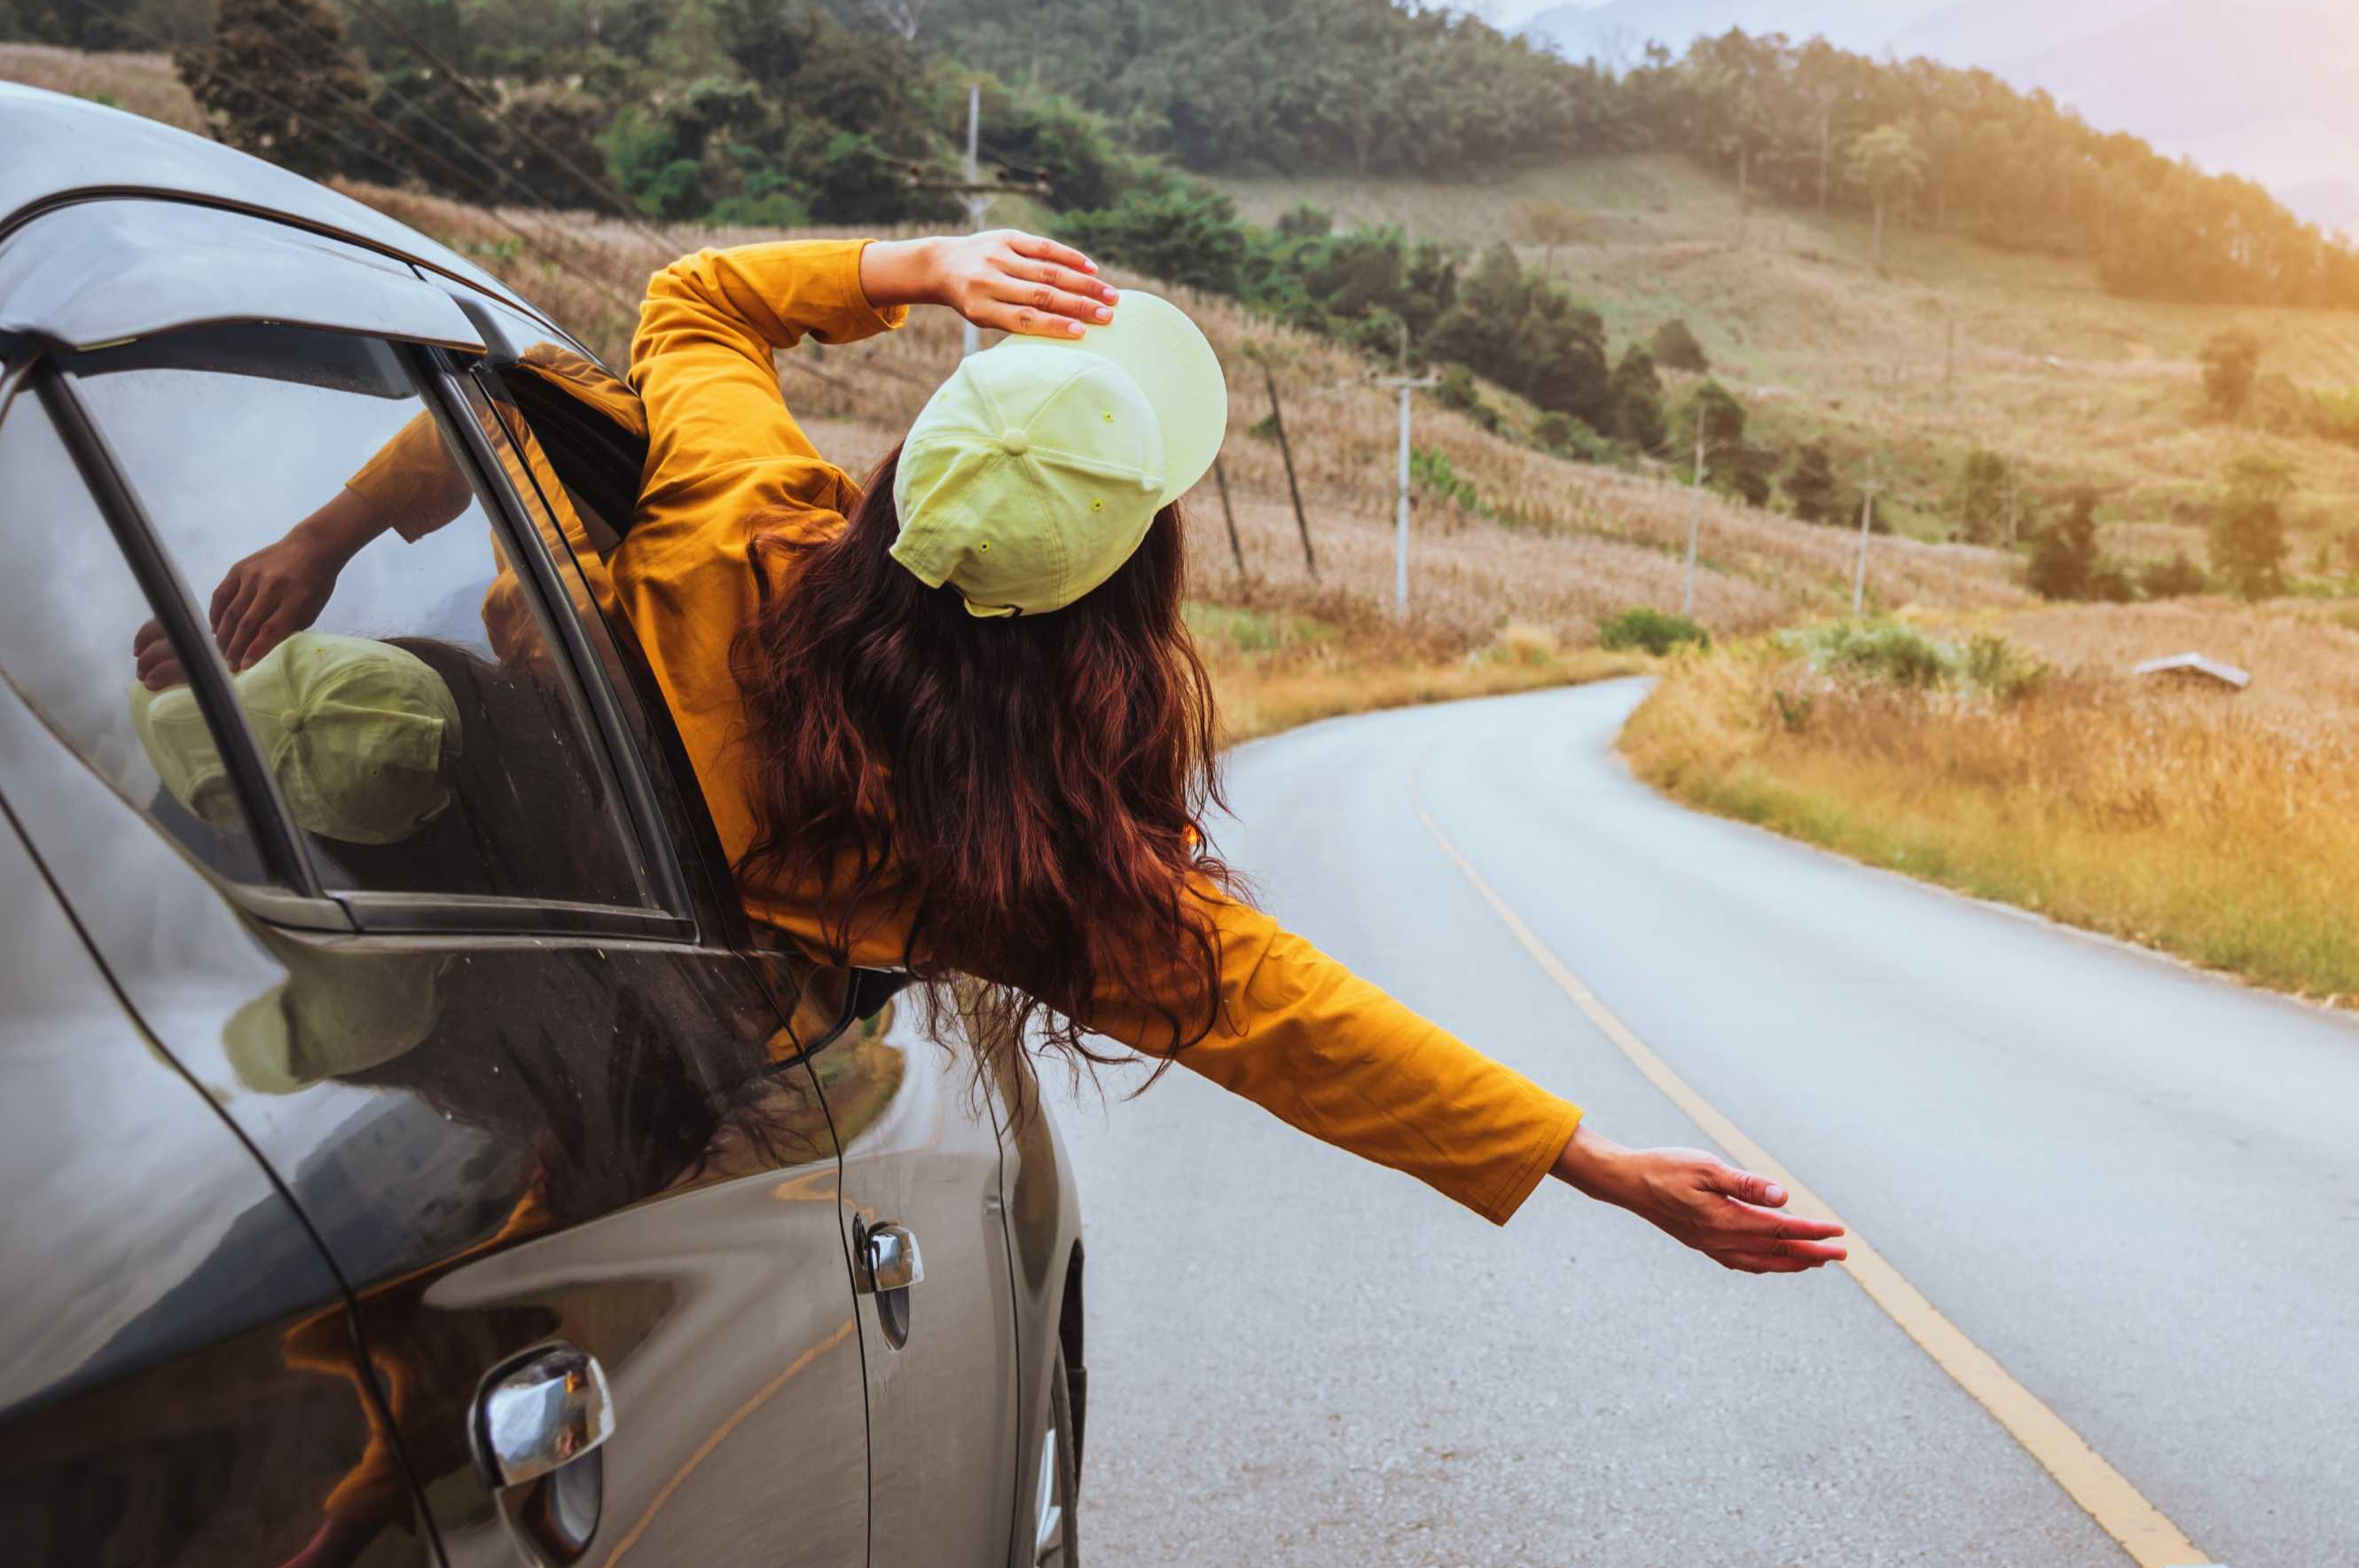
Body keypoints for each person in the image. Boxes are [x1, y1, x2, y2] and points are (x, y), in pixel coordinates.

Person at [200, 230, 1843, 1274]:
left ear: (905, 470)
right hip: (542, 1081)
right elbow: (1286, 1014)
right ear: (1115, 614)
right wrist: (1596, 1165)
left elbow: (683, 307)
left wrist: (923, 267)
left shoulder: (726, 512)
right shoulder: (1002, 864)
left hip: (264, 909)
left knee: (413, 649)